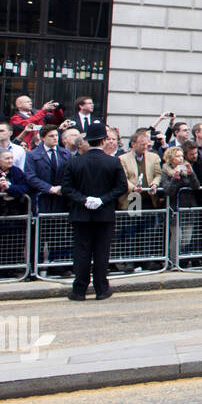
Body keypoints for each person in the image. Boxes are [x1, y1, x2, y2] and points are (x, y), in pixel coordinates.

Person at [61, 122, 127, 300]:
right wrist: (102, 200)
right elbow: (121, 187)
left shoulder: (74, 162)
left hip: (81, 214)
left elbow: (66, 189)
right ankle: (101, 289)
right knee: (101, 253)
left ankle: (79, 290)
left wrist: (84, 200)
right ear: (104, 140)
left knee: (81, 253)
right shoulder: (113, 162)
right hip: (104, 214)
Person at [24, 124, 71, 215]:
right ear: (43, 138)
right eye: (51, 136)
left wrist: (63, 187)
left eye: (56, 135)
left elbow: (71, 173)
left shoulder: (65, 153)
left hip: (61, 198)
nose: (55, 138)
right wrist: (50, 188)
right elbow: (30, 177)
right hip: (41, 198)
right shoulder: (32, 155)